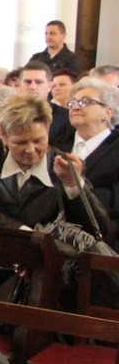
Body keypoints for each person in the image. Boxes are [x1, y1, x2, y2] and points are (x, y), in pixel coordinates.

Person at [0, 94, 109, 232]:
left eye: (38, 141)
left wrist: (73, 185)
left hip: (45, 250)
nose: (30, 150)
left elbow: (98, 226)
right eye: (20, 142)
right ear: (4, 136)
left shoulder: (64, 163)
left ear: (48, 132)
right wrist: (23, 233)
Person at [64, 77, 119, 243]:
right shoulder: (58, 144)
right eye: (72, 103)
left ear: (107, 112)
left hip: (103, 238)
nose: (75, 107)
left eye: (85, 102)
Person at [18, 60, 73, 146]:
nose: (32, 87)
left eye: (39, 82)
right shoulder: (7, 114)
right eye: (27, 82)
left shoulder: (65, 118)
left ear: (50, 86)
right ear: (20, 84)